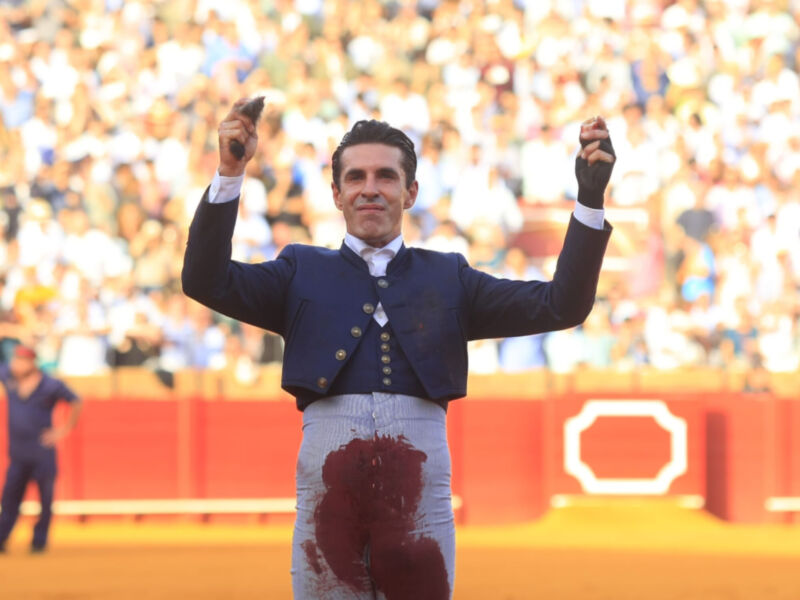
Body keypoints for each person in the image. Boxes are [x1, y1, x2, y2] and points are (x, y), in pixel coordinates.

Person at [182, 101, 615, 599]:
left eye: (386, 177)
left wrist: (589, 198)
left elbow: (562, 304)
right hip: (327, 485)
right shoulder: (299, 270)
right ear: (337, 194)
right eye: (357, 177)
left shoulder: (449, 276)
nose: (370, 188)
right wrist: (231, 173)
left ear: (410, 193)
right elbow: (204, 279)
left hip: (420, 490)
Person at [0, 344, 82, 553]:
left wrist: (63, 430)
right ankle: (1, 538)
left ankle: (39, 541)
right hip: (17, 454)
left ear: (32, 363)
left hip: (42, 453)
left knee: (45, 501)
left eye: (21, 361)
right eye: (15, 360)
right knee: (9, 500)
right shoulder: (9, 377)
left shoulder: (50, 384)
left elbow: (76, 401)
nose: (16, 365)